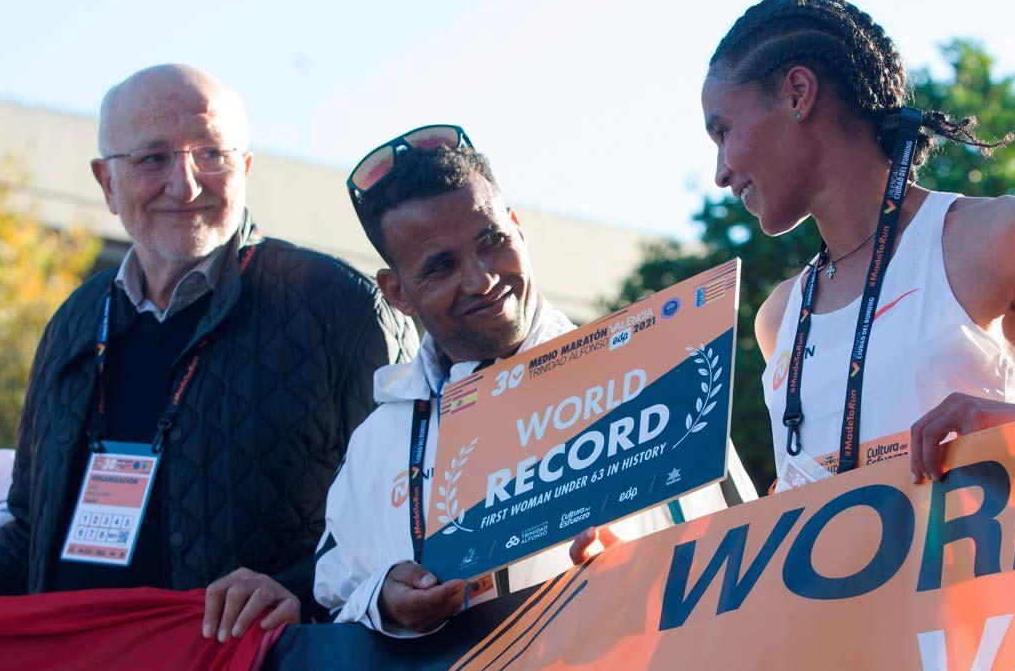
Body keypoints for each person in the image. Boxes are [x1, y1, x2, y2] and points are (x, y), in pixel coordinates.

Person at [699, 0, 1015, 492]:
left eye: (723, 131)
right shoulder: (779, 318)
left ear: (797, 94)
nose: (720, 172)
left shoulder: (1001, 236)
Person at [0, 65, 418, 642]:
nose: (186, 183)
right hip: (74, 655)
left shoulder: (340, 308)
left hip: (251, 659)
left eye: (211, 155)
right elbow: (29, 526)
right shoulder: (74, 320)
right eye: (153, 158)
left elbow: (409, 518)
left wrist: (293, 590)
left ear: (244, 168)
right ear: (106, 183)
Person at [314, 125, 755, 636]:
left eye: (492, 241)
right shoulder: (376, 444)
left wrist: (641, 575)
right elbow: (328, 601)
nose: (481, 279)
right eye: (442, 267)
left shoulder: (655, 371)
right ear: (397, 293)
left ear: (519, 228)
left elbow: (748, 554)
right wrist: (382, 599)